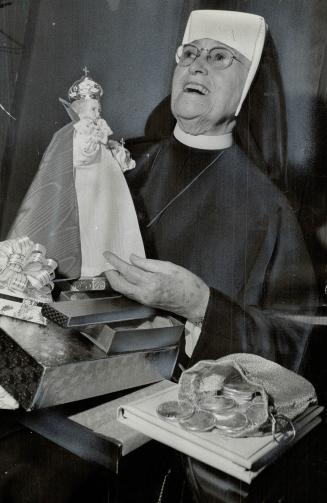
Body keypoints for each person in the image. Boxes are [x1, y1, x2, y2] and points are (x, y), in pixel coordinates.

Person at [103, 10, 317, 376]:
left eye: (219, 56)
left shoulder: (268, 209)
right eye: (189, 53)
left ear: (249, 82)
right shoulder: (122, 160)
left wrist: (201, 305)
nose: (196, 66)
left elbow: (296, 345)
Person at [8, 68, 145, 279]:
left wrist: (113, 149)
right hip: (85, 187)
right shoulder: (77, 130)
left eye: (98, 108)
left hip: (106, 187)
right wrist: (94, 141)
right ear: (81, 109)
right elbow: (82, 155)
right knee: (88, 227)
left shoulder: (95, 128)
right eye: (93, 108)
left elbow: (112, 160)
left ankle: (109, 265)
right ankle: (89, 267)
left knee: (109, 223)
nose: (97, 113)